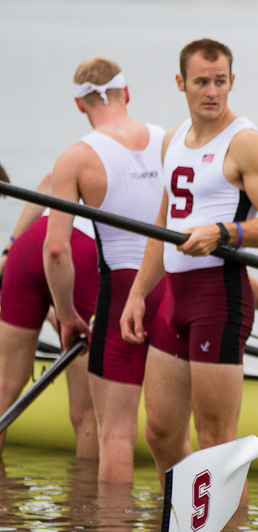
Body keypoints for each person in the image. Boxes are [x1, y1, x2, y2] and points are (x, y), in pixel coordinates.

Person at [120, 39, 258, 488]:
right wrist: (138, 294)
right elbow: (163, 224)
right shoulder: (172, 140)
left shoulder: (248, 144)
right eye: (202, 82)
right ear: (181, 83)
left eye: (221, 82)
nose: (212, 92)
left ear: (232, 82)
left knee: (216, 441)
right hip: (172, 301)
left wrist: (225, 232)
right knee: (159, 432)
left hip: (219, 297)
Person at [43, 57, 166, 485]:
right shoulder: (170, 141)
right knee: (172, 436)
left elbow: (56, 250)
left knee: (116, 434)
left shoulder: (75, 157)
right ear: (126, 93)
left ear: (80, 106)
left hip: (123, 294)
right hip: (175, 287)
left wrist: (66, 316)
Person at [0, 172, 99, 458]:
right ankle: (85, 503)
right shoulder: (155, 157)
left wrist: (9, 249)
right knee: (86, 416)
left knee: (3, 389)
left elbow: (47, 182)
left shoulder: (80, 159)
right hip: (80, 251)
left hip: (28, 245)